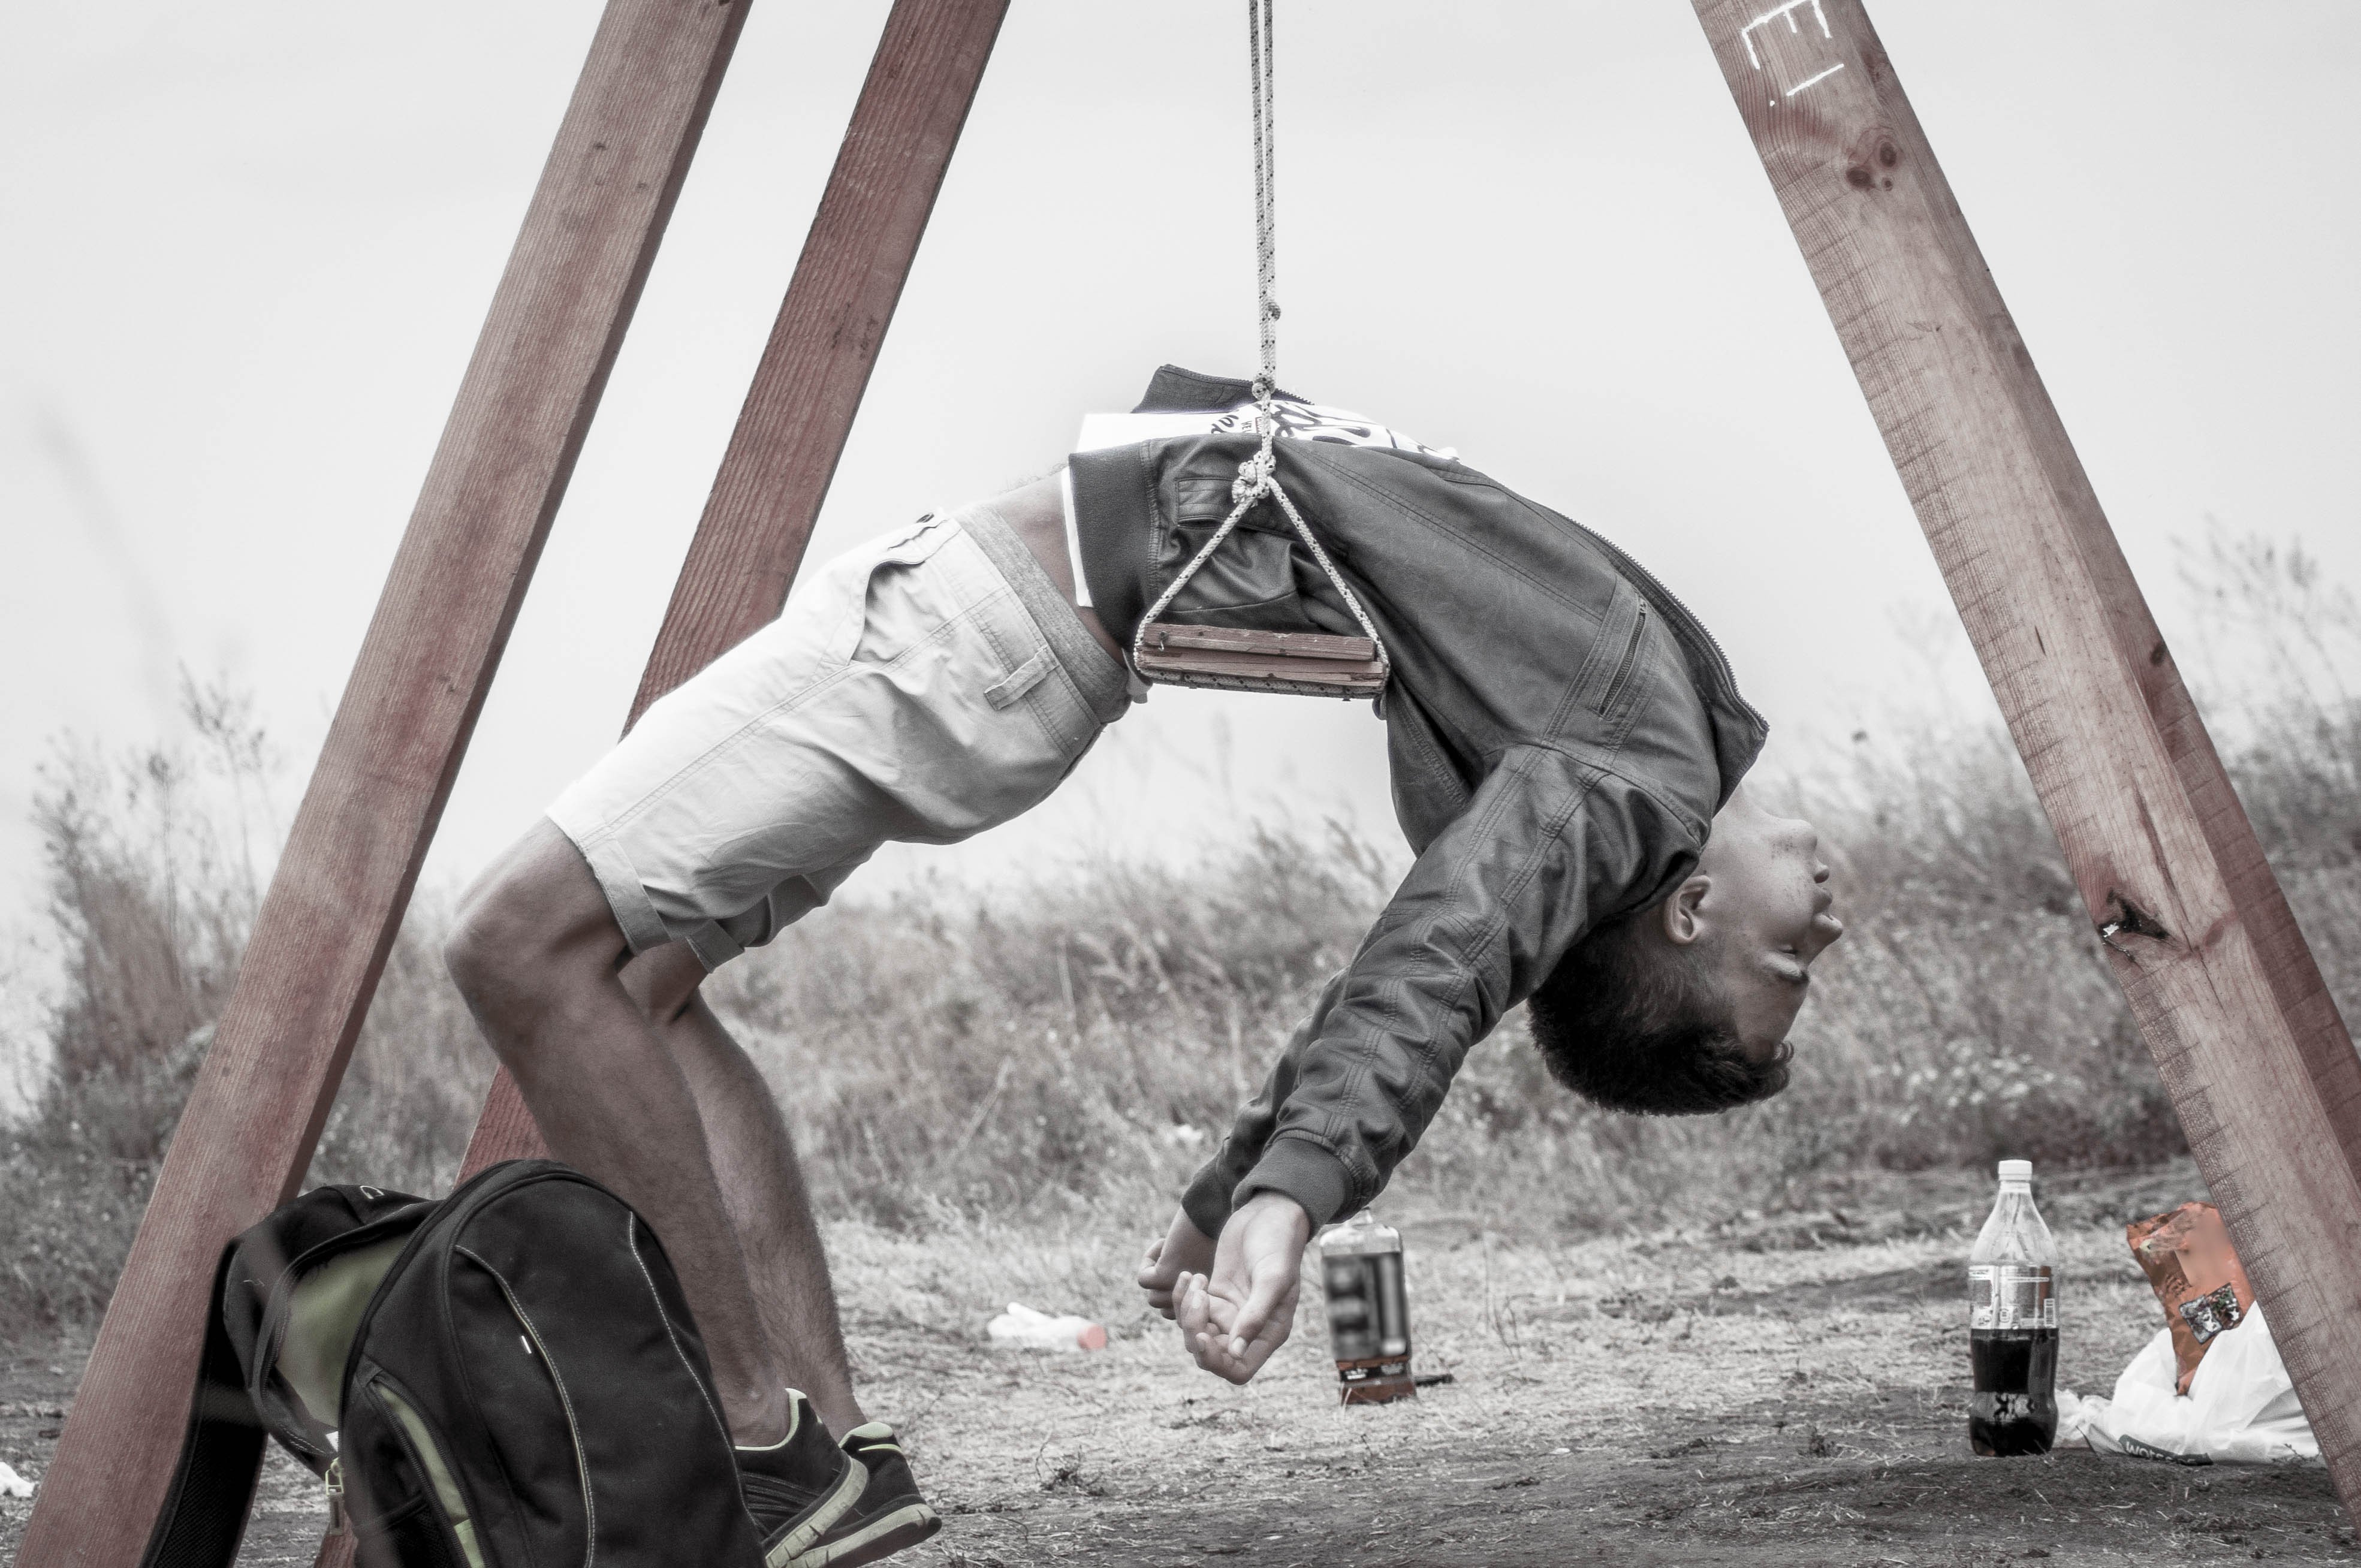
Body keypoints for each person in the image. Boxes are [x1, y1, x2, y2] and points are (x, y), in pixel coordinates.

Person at [443, 364, 1843, 1566]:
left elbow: (1440, 965)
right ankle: (835, 1468)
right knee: (632, 994)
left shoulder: (1623, 784)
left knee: (516, 943)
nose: (1826, 931)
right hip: (991, 648)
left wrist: (1283, 1200)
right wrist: (1224, 1190)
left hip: (962, 640)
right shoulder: (1660, 732)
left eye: (1788, 961)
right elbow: (1412, 964)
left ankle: (759, 1441)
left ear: (1689, 911)